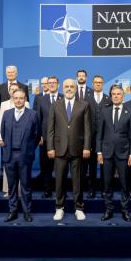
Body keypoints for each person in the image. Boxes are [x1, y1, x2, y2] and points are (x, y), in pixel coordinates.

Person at [47, 78, 92, 221]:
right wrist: (50, 147)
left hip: (77, 149)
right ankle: (59, 208)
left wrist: (86, 146)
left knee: (77, 181)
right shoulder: (55, 105)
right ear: (62, 88)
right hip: (59, 149)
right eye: (66, 86)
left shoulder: (84, 105)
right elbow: (50, 129)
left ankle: (79, 208)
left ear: (76, 88)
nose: (69, 89)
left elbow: (87, 128)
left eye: (72, 86)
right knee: (59, 181)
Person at [0, 89, 41, 223]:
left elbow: (37, 135)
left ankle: (26, 212)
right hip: (9, 155)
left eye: (21, 98)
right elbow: (3, 132)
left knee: (25, 186)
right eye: (16, 98)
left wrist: (29, 149)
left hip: (25, 156)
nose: (18, 100)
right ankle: (12, 211)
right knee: (11, 186)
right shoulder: (6, 114)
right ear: (12, 99)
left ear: (25, 99)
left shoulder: (33, 114)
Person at [97, 85, 131, 222]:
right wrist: (99, 152)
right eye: (113, 94)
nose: (116, 96)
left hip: (124, 154)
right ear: (111, 96)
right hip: (106, 154)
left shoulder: (129, 112)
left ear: (123, 96)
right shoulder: (104, 111)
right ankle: (108, 210)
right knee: (107, 184)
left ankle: (125, 210)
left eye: (118, 94)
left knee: (124, 184)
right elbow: (99, 134)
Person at [0, 84, 30, 198]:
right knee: (9, 170)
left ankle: (20, 191)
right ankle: (8, 190)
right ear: (9, 92)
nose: (13, 91)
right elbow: (1, 122)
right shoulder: (4, 104)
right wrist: (0, 138)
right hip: (8, 144)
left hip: (23, 147)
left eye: (16, 89)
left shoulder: (27, 104)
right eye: (11, 89)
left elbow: (31, 126)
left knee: (23, 173)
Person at [85, 74, 110, 198]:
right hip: (91, 139)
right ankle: (92, 189)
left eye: (100, 82)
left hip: (105, 139)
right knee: (92, 166)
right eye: (96, 82)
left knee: (105, 166)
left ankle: (104, 189)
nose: (98, 84)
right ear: (93, 84)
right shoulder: (86, 99)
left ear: (103, 84)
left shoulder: (108, 99)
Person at [36, 75, 59, 198]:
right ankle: (47, 190)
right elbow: (38, 119)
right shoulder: (41, 99)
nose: (52, 84)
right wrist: (39, 135)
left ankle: (60, 191)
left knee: (60, 166)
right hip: (45, 138)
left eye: (54, 82)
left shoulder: (63, 98)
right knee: (46, 166)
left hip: (61, 139)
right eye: (50, 82)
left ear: (58, 84)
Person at [0, 65, 29, 131]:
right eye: (8, 72)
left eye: (12, 72)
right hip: (5, 119)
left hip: (21, 118)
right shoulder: (0, 87)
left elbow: (26, 103)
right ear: (6, 73)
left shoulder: (24, 87)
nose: (10, 74)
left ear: (16, 73)